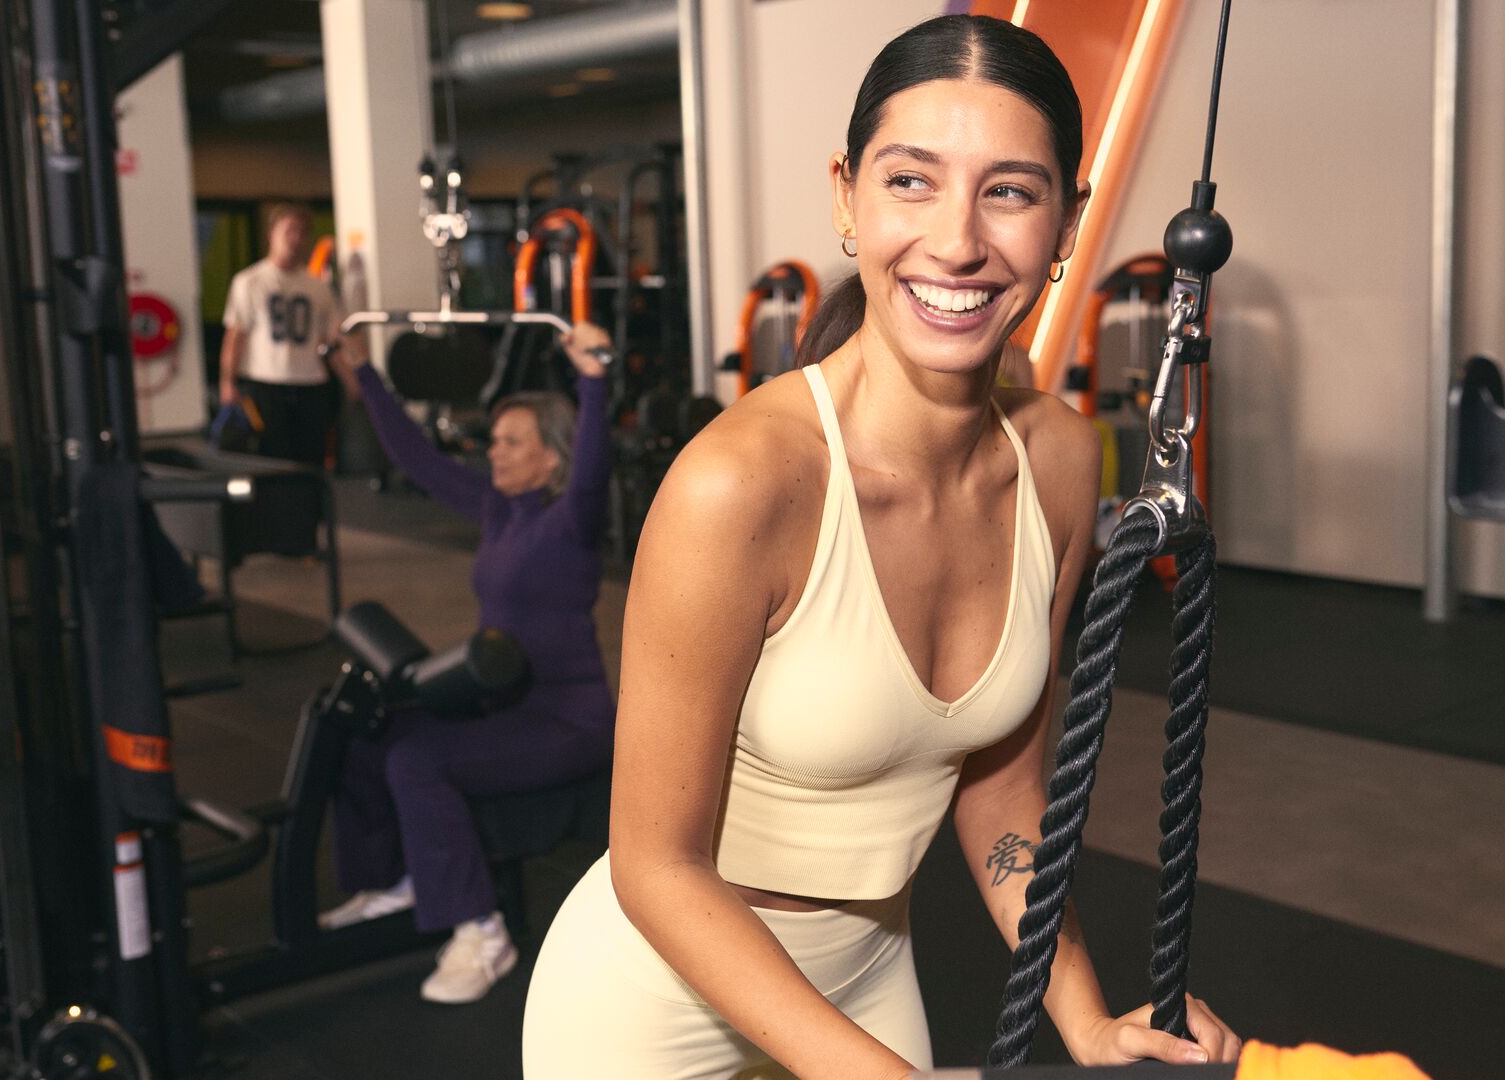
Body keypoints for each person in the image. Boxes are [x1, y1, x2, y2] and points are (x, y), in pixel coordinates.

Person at [523, 15, 1239, 1076]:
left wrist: (1083, 1015)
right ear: (846, 196)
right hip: (656, 1002)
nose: (957, 241)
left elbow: (999, 787)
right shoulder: (742, 485)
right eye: (912, 181)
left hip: (868, 976)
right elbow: (656, 866)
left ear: (1066, 222)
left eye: (1009, 189)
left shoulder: (1056, 458)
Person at [322, 323, 616, 1004]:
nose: (495, 451)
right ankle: (397, 882)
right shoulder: (497, 510)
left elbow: (596, 464)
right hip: (503, 699)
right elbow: (417, 459)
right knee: (369, 734)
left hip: (567, 718)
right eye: (496, 439)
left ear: (552, 459)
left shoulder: (570, 520)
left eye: (514, 442)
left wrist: (595, 382)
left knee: (418, 760)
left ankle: (481, 931)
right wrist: (365, 377)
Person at [217, 204, 352, 466]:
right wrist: (227, 382)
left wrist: (350, 380)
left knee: (311, 457)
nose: (295, 238)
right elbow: (236, 335)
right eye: (289, 230)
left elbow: (327, 341)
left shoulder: (318, 288)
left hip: (311, 383)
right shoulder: (249, 281)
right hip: (266, 383)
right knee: (270, 459)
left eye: (302, 232)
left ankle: (310, 505)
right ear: (272, 234)